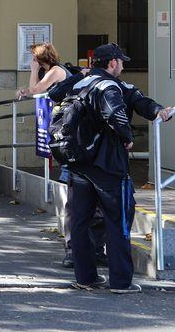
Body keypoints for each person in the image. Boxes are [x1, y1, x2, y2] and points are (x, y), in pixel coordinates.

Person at [67, 43, 173, 294]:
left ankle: (86, 278)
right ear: (112, 63)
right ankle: (121, 281)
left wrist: (157, 110)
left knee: (80, 222)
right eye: (121, 62)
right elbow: (118, 112)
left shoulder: (80, 83)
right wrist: (127, 136)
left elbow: (138, 100)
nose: (123, 66)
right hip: (108, 166)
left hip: (78, 164)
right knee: (118, 221)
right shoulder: (110, 86)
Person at [18, 42, 106, 269]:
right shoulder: (57, 73)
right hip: (73, 141)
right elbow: (37, 90)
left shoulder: (57, 72)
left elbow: (36, 90)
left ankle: (83, 250)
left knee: (79, 202)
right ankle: (81, 250)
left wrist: (32, 72)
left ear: (39, 58)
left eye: (33, 58)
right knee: (79, 201)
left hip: (74, 141)